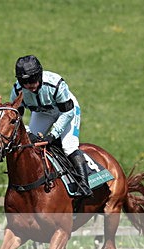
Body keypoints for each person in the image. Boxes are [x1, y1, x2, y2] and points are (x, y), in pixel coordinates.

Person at [10, 55, 92, 196]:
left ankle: (84, 184)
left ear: (39, 74)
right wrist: (28, 133)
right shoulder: (18, 91)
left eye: (33, 79)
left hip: (66, 111)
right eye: (25, 82)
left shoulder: (55, 83)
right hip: (43, 112)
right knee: (29, 144)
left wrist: (52, 135)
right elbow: (16, 118)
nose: (30, 85)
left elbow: (67, 113)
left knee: (68, 146)